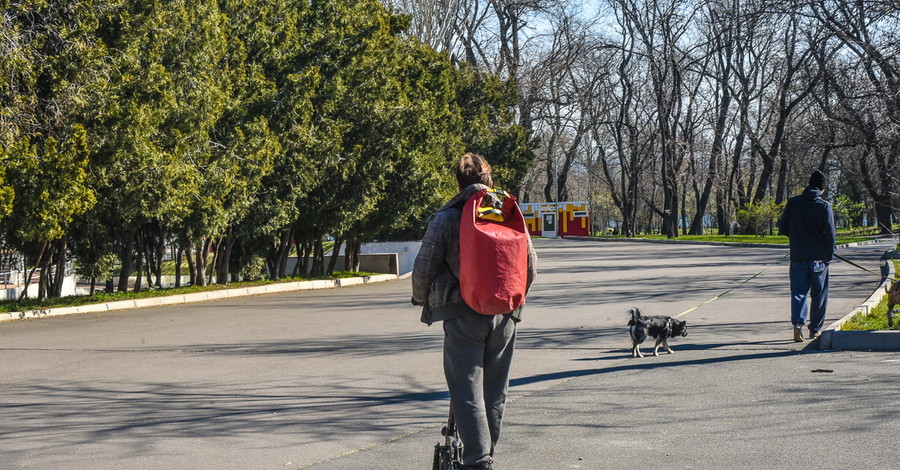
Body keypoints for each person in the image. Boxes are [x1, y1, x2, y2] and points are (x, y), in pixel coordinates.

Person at [412, 153, 537, 470]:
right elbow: (530, 267)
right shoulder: (508, 213)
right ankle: (486, 455)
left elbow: (424, 268)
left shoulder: (447, 216)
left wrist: (420, 298)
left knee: (466, 389)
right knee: (495, 392)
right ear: (490, 180)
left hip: (462, 313)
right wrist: (510, 300)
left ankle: (477, 461)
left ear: (458, 182)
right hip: (505, 316)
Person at [777, 170, 836, 342]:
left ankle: (798, 324)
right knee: (819, 293)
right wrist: (829, 255)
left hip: (798, 256)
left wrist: (798, 239)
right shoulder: (824, 206)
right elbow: (830, 235)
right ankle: (815, 329)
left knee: (798, 291)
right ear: (822, 189)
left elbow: (783, 228)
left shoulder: (793, 203)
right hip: (819, 258)